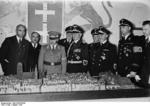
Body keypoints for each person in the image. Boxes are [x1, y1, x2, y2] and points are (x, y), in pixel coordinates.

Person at [138, 20, 150, 88]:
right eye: (143, 29)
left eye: (146, 29)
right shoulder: (142, 40)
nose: (143, 31)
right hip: (142, 73)